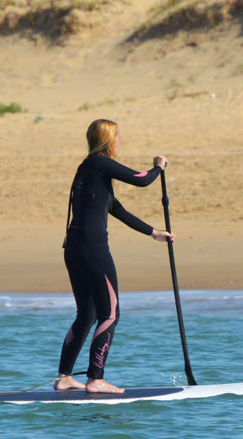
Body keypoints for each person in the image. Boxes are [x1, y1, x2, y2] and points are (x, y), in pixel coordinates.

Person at [55, 119, 174, 394]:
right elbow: (141, 180)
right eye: (118, 136)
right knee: (109, 313)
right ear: (108, 140)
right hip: (92, 248)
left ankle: (64, 377)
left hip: (74, 247)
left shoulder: (88, 169)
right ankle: (95, 379)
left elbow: (114, 208)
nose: (120, 141)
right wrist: (158, 167)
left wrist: (153, 232)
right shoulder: (100, 163)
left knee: (87, 314)